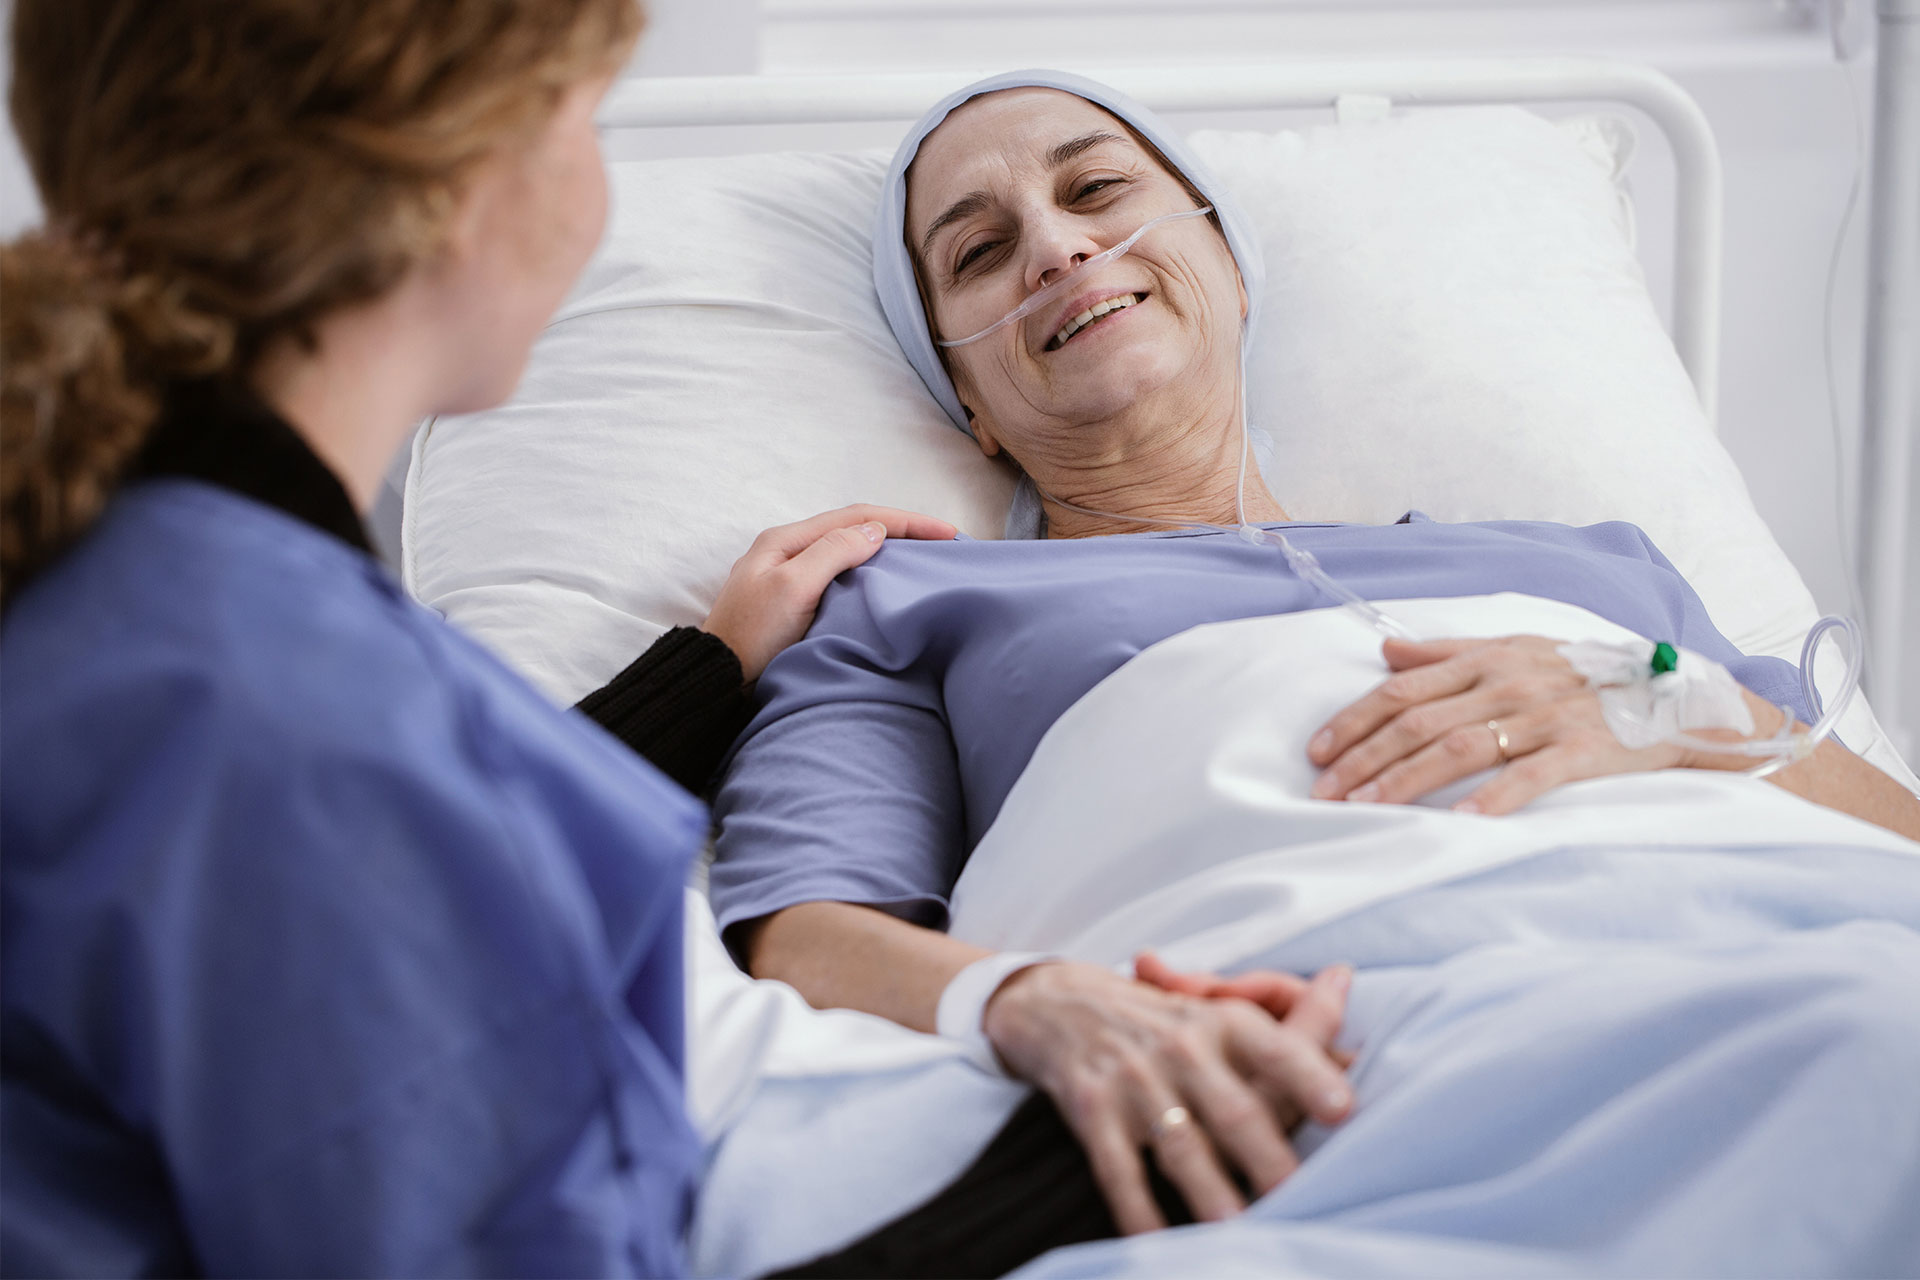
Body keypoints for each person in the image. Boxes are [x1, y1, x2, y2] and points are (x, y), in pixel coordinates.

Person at [707, 70, 1920, 1251]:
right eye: (978, 253)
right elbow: (800, 938)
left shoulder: (1597, 565)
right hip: (1330, 1028)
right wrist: (1039, 1002)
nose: (1058, 248)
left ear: (1229, 264)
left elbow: (1894, 836)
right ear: (965, 397)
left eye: (1099, 190)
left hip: (1787, 927)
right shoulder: (906, 602)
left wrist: (1673, 707)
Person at [0, 2, 957, 1273]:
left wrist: (711, 666)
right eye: (583, 117)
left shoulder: (129, 584)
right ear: (459, 178)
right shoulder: (307, 719)